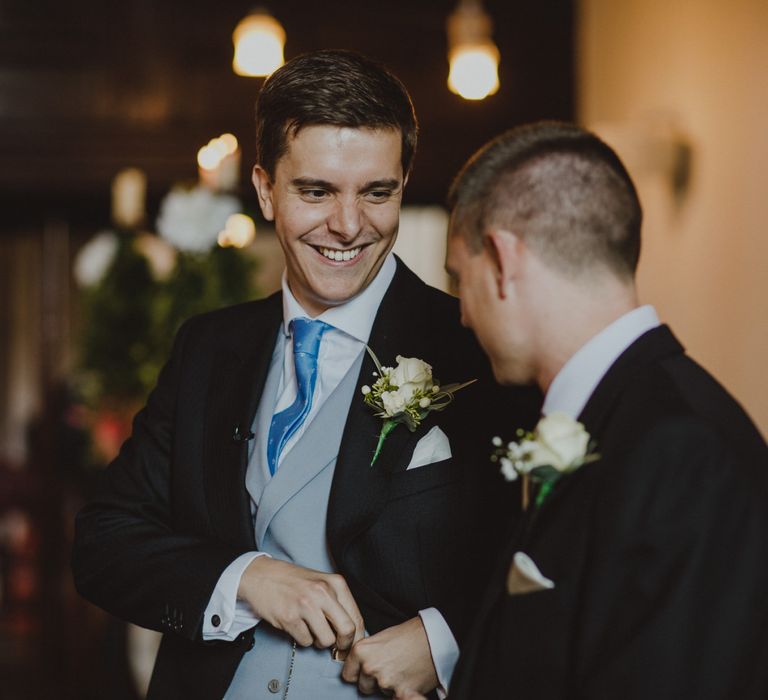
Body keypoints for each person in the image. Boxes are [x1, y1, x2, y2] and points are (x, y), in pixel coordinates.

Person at [72, 50, 540, 700]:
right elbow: (104, 542)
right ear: (265, 190)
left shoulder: (475, 347)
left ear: (404, 182)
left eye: (377, 192)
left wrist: (446, 639)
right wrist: (246, 578)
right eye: (316, 191)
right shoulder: (208, 349)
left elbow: (557, 553)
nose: (349, 225)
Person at [442, 122, 768, 699]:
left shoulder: (683, 451)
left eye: (458, 279)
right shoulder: (616, 414)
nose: (463, 315)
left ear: (501, 259)